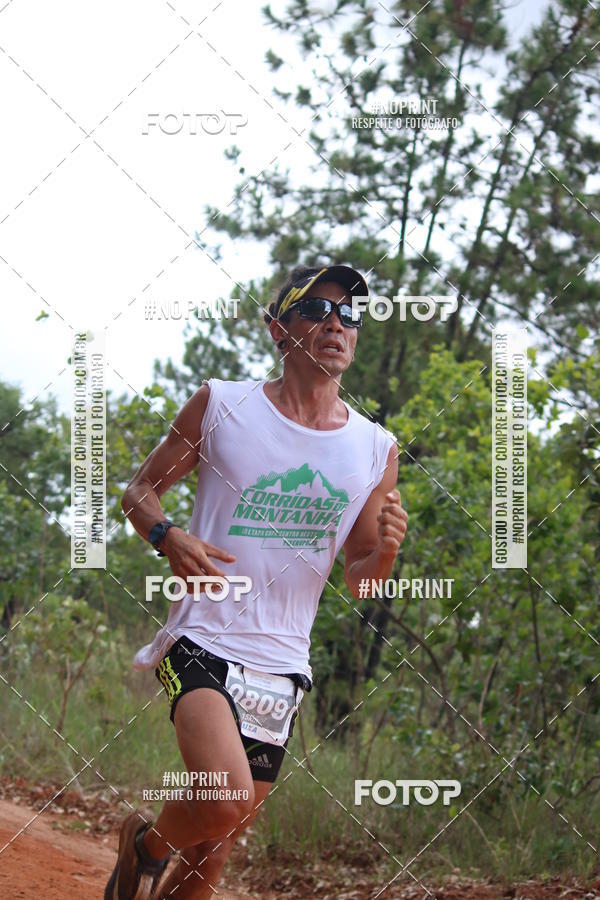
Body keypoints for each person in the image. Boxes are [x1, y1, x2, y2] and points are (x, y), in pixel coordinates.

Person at [104, 264, 408, 899]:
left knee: (214, 852)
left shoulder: (375, 449)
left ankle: (150, 853)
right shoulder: (223, 404)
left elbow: (359, 580)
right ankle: (146, 847)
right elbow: (139, 491)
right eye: (317, 310)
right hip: (203, 637)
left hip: (283, 662)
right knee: (225, 796)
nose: (336, 324)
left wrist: (384, 555)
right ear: (278, 328)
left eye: (349, 315)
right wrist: (167, 535)